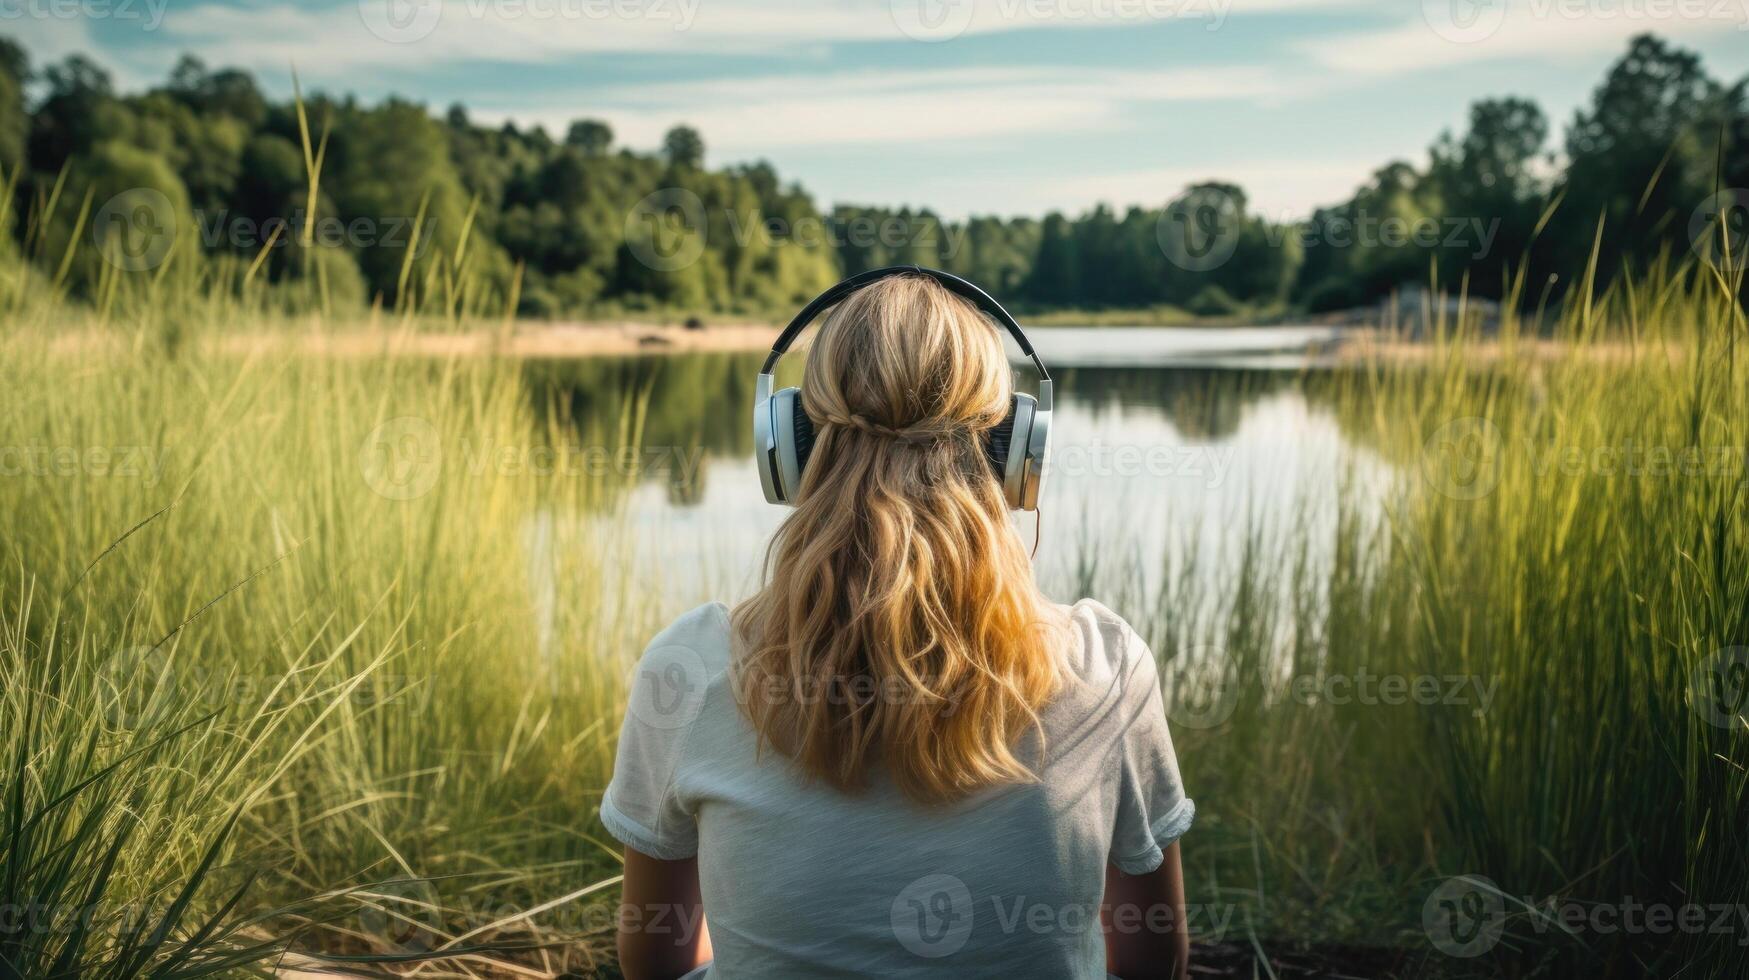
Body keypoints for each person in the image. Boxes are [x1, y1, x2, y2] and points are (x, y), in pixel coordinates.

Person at [604, 273, 1194, 979]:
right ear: (1014, 451)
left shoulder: (691, 666)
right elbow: (1153, 958)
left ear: (786, 445)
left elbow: (653, 960)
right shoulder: (1106, 667)